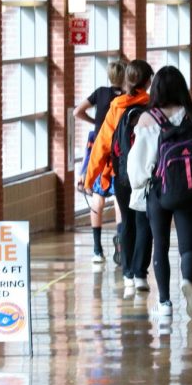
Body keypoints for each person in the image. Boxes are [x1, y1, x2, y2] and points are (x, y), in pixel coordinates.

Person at [128, 66, 192, 319]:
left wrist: (140, 185)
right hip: (189, 190)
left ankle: (165, 303)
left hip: (159, 191)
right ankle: (187, 280)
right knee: (188, 247)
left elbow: (137, 166)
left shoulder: (147, 119)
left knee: (161, 246)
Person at [84, 59, 154, 293]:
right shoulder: (151, 106)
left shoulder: (116, 107)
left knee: (127, 221)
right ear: (147, 82)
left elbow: (102, 145)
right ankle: (140, 272)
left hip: (121, 175)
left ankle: (127, 275)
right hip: (146, 175)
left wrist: (89, 178)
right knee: (143, 222)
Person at [75, 60, 126, 263]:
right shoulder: (126, 98)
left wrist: (94, 122)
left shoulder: (100, 93)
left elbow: (76, 111)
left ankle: (97, 249)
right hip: (118, 150)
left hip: (98, 148)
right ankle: (121, 243)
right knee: (119, 199)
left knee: (98, 195)